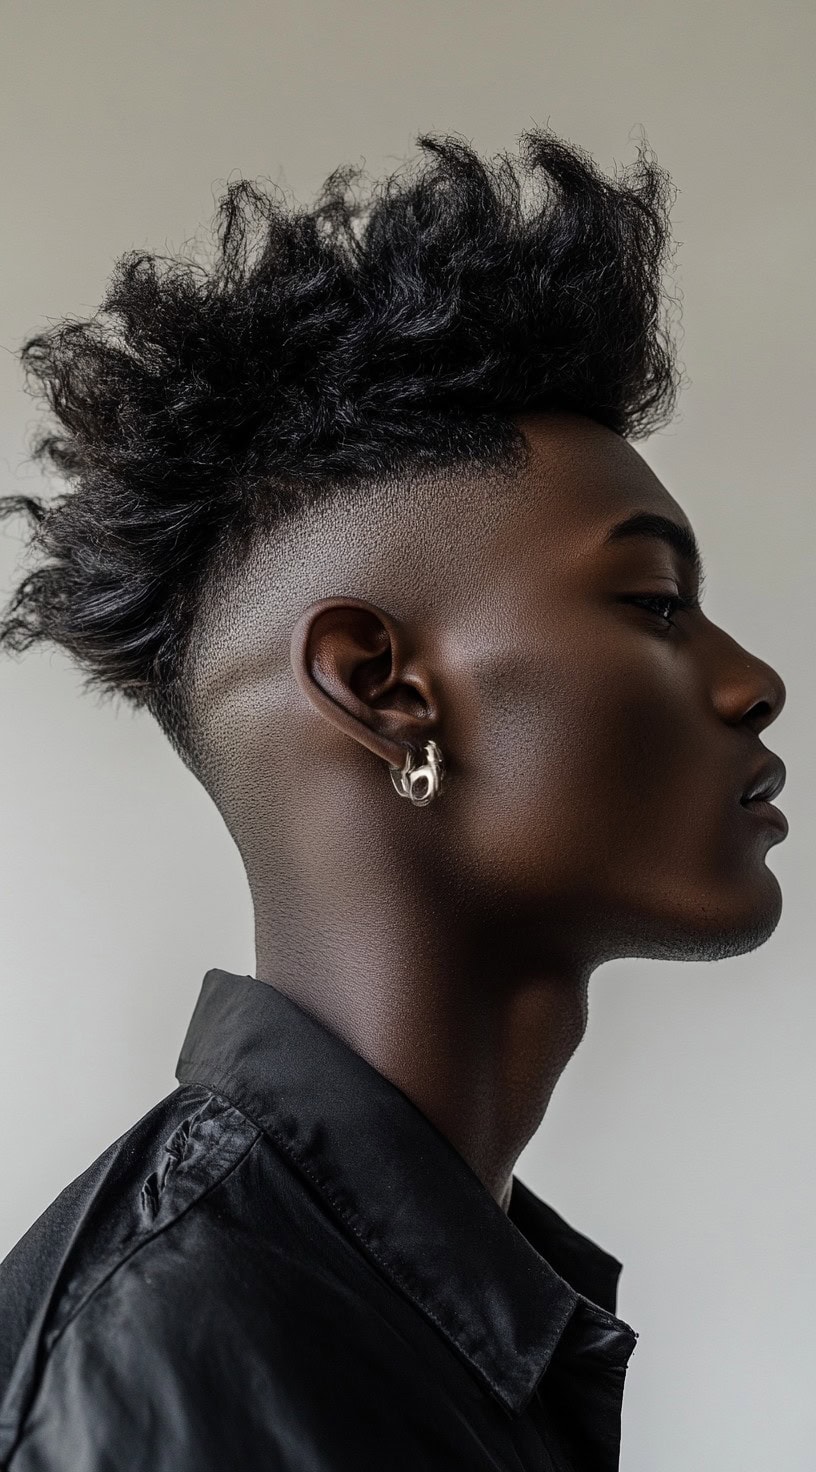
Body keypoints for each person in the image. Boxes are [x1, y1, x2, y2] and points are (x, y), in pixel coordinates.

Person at [0, 125, 788, 1472]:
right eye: (654, 604)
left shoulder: (378, 1301)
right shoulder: (179, 1357)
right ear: (383, 688)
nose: (755, 683)